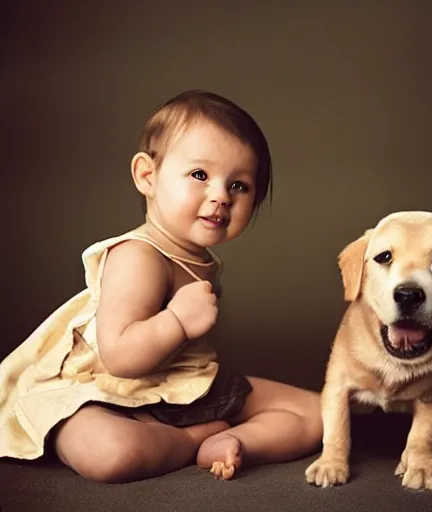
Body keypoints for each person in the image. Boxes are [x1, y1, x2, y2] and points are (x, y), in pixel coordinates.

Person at [0, 90, 322, 483]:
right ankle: (193, 439)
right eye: (200, 175)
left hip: (183, 385)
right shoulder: (139, 255)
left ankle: (234, 443)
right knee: (108, 452)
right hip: (108, 394)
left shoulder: (196, 255)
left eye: (239, 185)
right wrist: (177, 321)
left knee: (321, 413)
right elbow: (119, 357)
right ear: (147, 176)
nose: (220, 196)